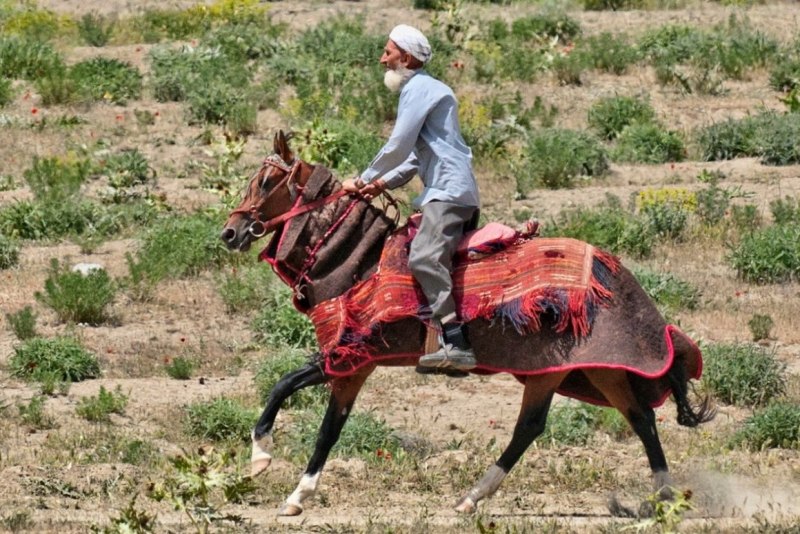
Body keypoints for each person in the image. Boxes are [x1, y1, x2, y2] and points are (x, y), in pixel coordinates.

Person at [342, 24, 480, 371]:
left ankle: (456, 341)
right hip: (450, 190)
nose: (382, 59)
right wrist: (381, 184)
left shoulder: (419, 89)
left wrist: (363, 179)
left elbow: (398, 145)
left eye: (387, 52)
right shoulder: (426, 89)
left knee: (423, 259)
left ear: (405, 57)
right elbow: (414, 159)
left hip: (447, 192)